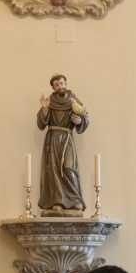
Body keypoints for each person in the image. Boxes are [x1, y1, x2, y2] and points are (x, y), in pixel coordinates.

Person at [37, 74, 89, 215]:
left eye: (61, 83)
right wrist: (44, 109)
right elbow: (41, 124)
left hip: (66, 138)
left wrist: (79, 121)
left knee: (68, 168)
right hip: (52, 139)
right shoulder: (50, 101)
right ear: (53, 87)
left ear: (65, 83)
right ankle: (57, 202)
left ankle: (75, 201)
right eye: (57, 85)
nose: (60, 86)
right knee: (53, 170)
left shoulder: (73, 100)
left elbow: (84, 116)